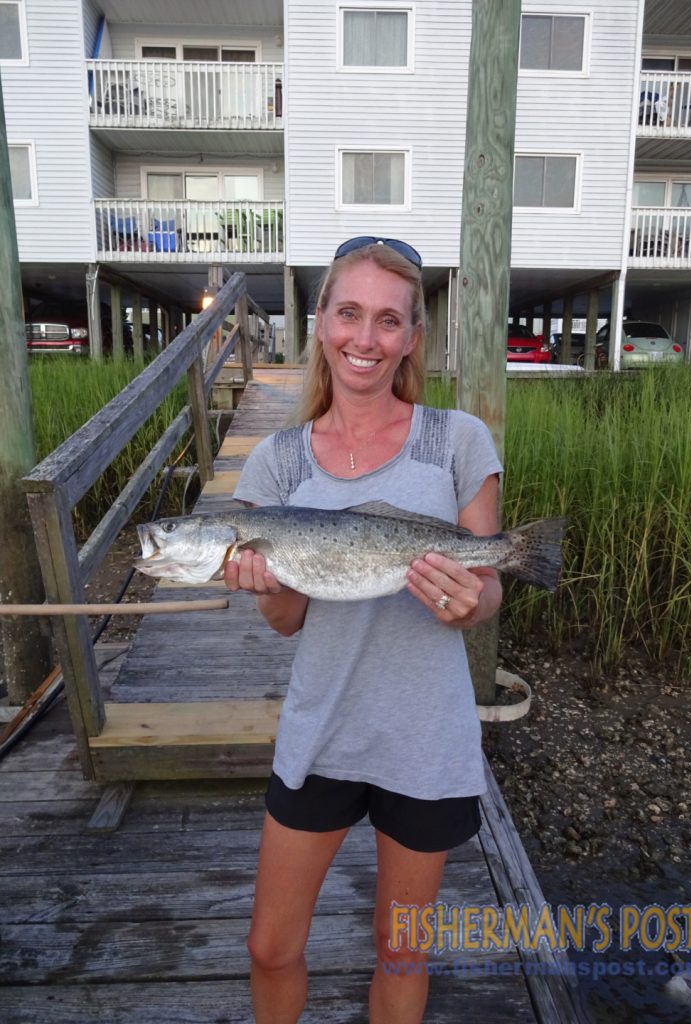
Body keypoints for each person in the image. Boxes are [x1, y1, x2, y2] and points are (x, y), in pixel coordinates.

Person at [225, 236, 503, 1024]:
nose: (366, 338)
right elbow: (283, 623)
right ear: (320, 321)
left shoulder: (457, 439)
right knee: (269, 947)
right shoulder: (276, 462)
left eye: (388, 321)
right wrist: (268, 585)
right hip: (322, 733)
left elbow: (487, 592)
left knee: (402, 948)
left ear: (413, 337)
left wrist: (469, 602)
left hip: (426, 738)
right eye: (349, 313)